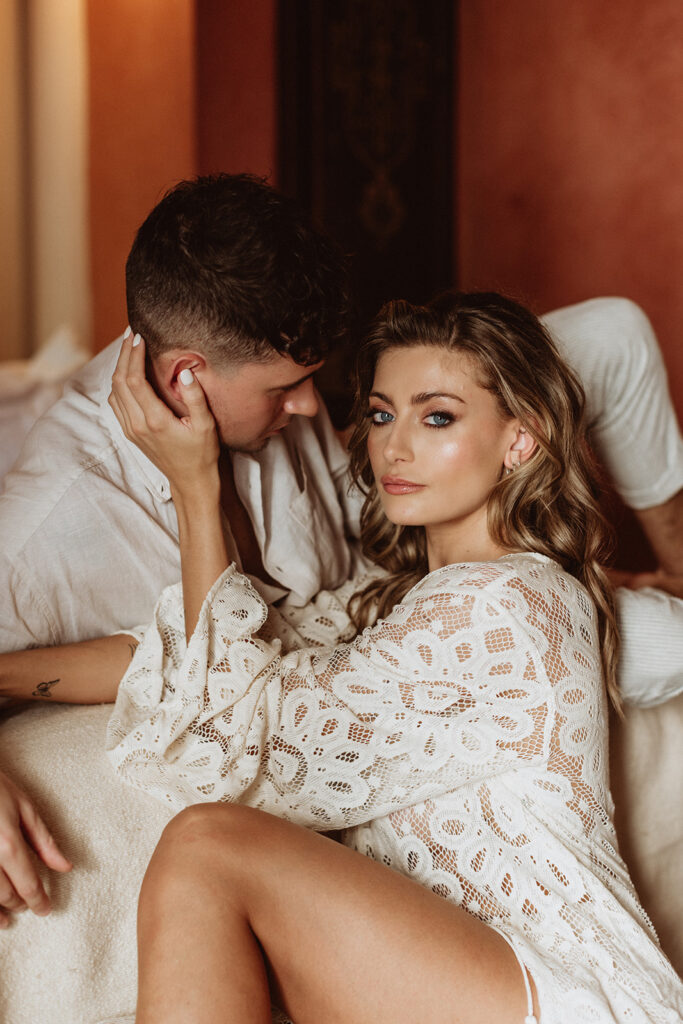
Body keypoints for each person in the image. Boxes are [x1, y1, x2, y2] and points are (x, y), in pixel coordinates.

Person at [0, 175, 682, 924]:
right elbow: (171, 663)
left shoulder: (283, 403)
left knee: (612, 335)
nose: (307, 410)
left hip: (397, 550)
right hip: (390, 609)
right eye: (285, 389)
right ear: (183, 376)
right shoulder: (46, 528)